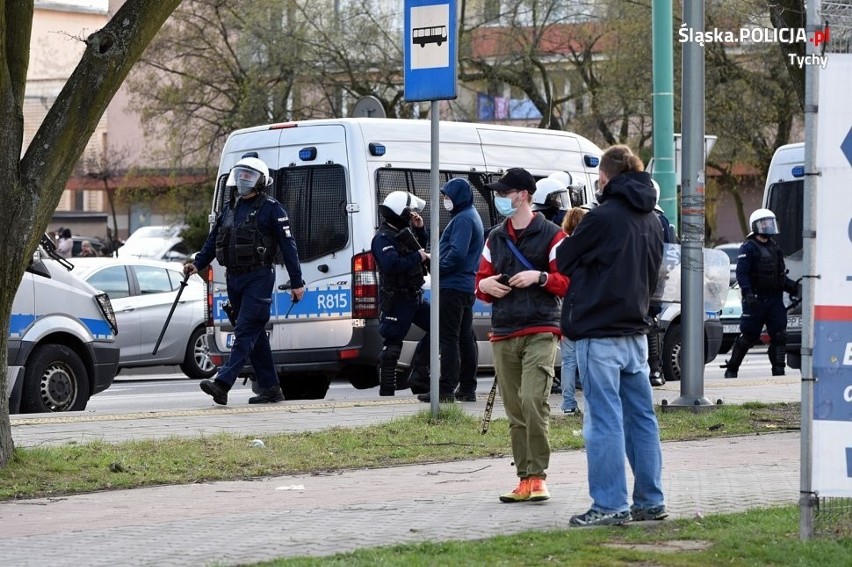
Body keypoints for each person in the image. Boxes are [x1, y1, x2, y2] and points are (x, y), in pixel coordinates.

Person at [556, 145, 666, 526]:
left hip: (598, 332)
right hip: (635, 332)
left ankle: (609, 504)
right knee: (642, 419)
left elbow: (564, 259)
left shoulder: (602, 218)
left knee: (603, 421)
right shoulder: (653, 219)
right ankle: (650, 500)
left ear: (605, 178)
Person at [475, 167, 569, 503]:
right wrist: (483, 286)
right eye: (498, 193)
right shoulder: (494, 237)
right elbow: (481, 282)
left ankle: (539, 477)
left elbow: (567, 281)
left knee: (533, 400)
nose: (499, 198)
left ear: (523, 195)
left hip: (541, 328)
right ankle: (524, 479)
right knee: (515, 410)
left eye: (504, 193)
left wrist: (539, 278)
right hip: (503, 331)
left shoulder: (554, 235)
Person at [184, 157, 305, 406]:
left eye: (249, 176)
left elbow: (288, 246)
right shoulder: (229, 208)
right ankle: (271, 388)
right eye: (240, 175)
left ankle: (222, 382)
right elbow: (213, 240)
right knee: (255, 334)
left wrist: (297, 281)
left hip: (258, 277)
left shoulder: (272, 208)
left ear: (260, 181)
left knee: (245, 330)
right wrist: (197, 263)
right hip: (234, 278)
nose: (242, 180)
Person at [417, 179, 484, 403]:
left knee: (448, 339)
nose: (446, 200)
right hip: (464, 286)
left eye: (448, 196)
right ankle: (467, 388)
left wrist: (435, 267)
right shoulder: (470, 214)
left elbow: (457, 254)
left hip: (452, 286)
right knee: (464, 338)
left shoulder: (463, 219)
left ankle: (445, 389)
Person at [723, 208, 799, 378]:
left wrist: (792, 286)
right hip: (755, 299)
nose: (768, 226)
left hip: (774, 300)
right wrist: (748, 293)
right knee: (749, 336)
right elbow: (741, 274)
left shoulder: (774, 248)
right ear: (756, 225)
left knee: (780, 336)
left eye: (770, 222)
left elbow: (779, 275)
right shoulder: (748, 247)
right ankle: (732, 370)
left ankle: (779, 371)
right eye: (764, 223)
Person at [371, 191, 431, 397]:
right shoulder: (383, 237)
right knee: (392, 342)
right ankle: (387, 391)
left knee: (440, 328)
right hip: (397, 298)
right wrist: (417, 256)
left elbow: (421, 248)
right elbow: (391, 264)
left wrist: (420, 229)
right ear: (401, 213)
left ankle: (420, 375)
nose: (412, 215)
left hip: (414, 296)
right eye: (410, 212)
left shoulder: (403, 232)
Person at [647, 179, 677, 387]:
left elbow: (668, 253)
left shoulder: (657, 219)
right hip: (655, 278)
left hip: (650, 278)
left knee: (649, 323)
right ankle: (654, 370)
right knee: (650, 321)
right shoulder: (661, 219)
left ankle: (655, 369)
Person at [559, 206, 587, 416]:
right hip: (585, 310)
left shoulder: (563, 246)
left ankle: (568, 403)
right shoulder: (589, 247)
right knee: (586, 359)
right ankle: (590, 401)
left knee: (568, 360)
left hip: (566, 309)